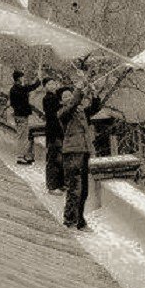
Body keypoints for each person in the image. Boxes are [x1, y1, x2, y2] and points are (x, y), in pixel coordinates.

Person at [58, 83, 102, 231]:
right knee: (74, 188)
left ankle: (79, 220)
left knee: (83, 190)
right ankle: (70, 220)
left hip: (84, 151)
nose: (68, 97)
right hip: (72, 152)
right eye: (65, 96)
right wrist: (79, 90)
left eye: (70, 94)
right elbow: (73, 104)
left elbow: (95, 108)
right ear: (61, 101)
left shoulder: (81, 112)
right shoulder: (63, 113)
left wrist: (94, 93)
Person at [9, 70, 41, 165]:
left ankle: (24, 156)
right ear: (19, 78)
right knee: (22, 137)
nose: (23, 78)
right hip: (21, 115)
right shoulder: (19, 89)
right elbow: (31, 87)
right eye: (22, 77)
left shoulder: (14, 89)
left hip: (19, 115)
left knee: (23, 136)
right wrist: (38, 80)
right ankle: (20, 157)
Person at [41, 78, 64, 194]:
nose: (52, 85)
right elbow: (53, 115)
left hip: (56, 132)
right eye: (49, 84)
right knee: (53, 159)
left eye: (53, 83)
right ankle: (52, 186)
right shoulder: (48, 98)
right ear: (45, 86)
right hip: (53, 132)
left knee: (59, 159)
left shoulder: (54, 97)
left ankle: (59, 184)